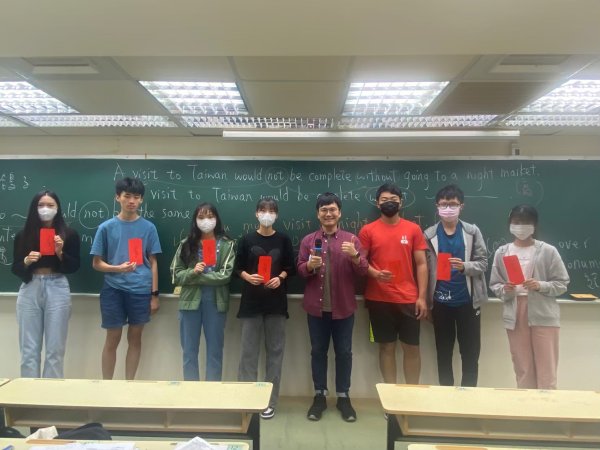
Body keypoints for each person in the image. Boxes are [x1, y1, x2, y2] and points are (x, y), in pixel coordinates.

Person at [298, 192, 368, 422]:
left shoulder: (351, 239)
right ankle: (319, 396)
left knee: (344, 353)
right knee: (318, 352)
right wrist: (309, 265)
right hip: (316, 310)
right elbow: (300, 270)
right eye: (324, 210)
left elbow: (363, 270)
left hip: (343, 308)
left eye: (332, 209)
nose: (328, 214)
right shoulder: (308, 241)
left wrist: (355, 256)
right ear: (318, 214)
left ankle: (343, 397)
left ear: (340, 213)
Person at [490, 204, 569, 389]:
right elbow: (495, 284)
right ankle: (526, 404)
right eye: (516, 222)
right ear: (510, 224)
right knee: (523, 367)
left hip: (543, 312)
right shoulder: (502, 252)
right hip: (515, 313)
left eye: (525, 222)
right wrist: (505, 289)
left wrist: (540, 285)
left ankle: (547, 406)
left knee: (546, 368)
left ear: (534, 225)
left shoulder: (548, 250)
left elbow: (562, 283)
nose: (520, 226)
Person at [91, 177, 161, 380]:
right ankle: (107, 385)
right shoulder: (106, 227)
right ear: (117, 197)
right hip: (113, 289)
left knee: (135, 339)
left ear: (141, 200)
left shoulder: (149, 228)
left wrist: (154, 295)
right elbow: (96, 263)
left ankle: (129, 384)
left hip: (140, 290)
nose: (132, 201)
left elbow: (153, 262)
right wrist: (117, 268)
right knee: (112, 339)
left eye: (136, 197)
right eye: (127, 196)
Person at [358, 183, 428, 386]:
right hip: (378, 299)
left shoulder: (413, 229)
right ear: (377, 203)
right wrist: (376, 274)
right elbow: (360, 261)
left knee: (412, 348)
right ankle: (391, 396)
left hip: (408, 299)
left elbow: (422, 264)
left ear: (401, 202)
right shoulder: (368, 230)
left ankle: (411, 394)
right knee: (386, 348)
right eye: (384, 200)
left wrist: (422, 297)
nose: (389, 203)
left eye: (393, 200)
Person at [235, 198, 295, 419]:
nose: (267, 214)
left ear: (276, 215)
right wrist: (247, 276)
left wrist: (280, 277)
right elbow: (237, 267)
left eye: (271, 211)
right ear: (256, 213)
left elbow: (290, 267)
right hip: (251, 303)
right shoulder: (246, 239)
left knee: (275, 354)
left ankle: (270, 401)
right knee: (248, 354)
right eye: (263, 210)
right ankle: (248, 400)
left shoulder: (283, 239)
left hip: (276, 304)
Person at [423, 184, 488, 387]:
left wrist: (464, 267)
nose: (448, 208)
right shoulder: (429, 235)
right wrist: (427, 303)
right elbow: (425, 270)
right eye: (443, 204)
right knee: (443, 354)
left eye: (452, 204)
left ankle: (468, 396)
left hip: (468, 302)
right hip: (441, 304)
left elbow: (483, 263)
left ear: (461, 206)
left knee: (470, 354)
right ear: (437, 207)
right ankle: (446, 396)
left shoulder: (472, 231)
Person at [11, 190, 80, 378]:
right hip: (30, 287)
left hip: (57, 286)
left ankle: (51, 393)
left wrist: (60, 253)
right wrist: (26, 261)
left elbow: (74, 266)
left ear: (58, 208)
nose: (45, 209)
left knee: (55, 350)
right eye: (41, 205)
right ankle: (29, 392)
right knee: (29, 350)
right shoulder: (23, 235)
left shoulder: (69, 234)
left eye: (50, 205)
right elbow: (15, 268)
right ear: (34, 208)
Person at [171, 202, 235, 382]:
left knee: (215, 350)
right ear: (195, 220)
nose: (206, 221)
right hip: (190, 303)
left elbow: (225, 275)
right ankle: (191, 392)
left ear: (217, 219)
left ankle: (212, 392)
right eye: (201, 217)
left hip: (215, 302)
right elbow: (175, 274)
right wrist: (192, 272)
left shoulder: (226, 245)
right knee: (189, 351)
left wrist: (196, 278)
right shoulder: (186, 244)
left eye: (210, 216)